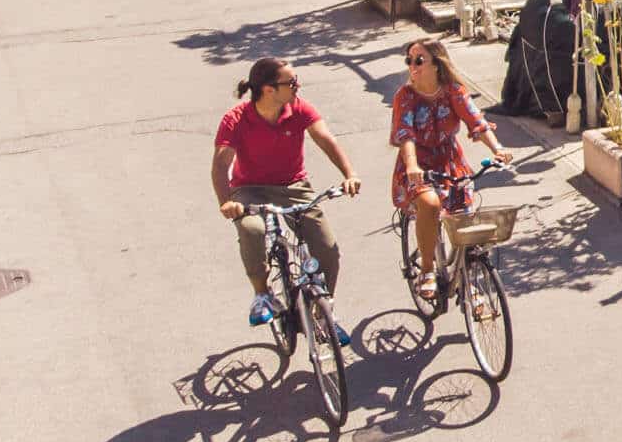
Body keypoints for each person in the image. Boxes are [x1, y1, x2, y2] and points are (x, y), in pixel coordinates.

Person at [212, 58, 361, 336]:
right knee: (252, 230)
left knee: (327, 248)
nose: (297, 86)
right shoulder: (236, 118)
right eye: (291, 82)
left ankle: (322, 314)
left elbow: (326, 139)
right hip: (250, 188)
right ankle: (262, 294)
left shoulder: (299, 108)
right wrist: (227, 202)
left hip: (294, 185)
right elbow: (221, 164)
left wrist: (349, 173)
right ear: (269, 89)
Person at [390, 39, 510, 301]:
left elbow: (475, 120)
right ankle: (427, 269)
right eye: (409, 60)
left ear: (437, 64)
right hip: (417, 166)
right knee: (430, 205)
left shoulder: (453, 91)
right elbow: (405, 134)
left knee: (466, 224)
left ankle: (469, 285)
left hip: (450, 162)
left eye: (419, 60)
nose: (413, 66)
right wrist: (411, 165)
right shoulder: (405, 96)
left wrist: (497, 149)